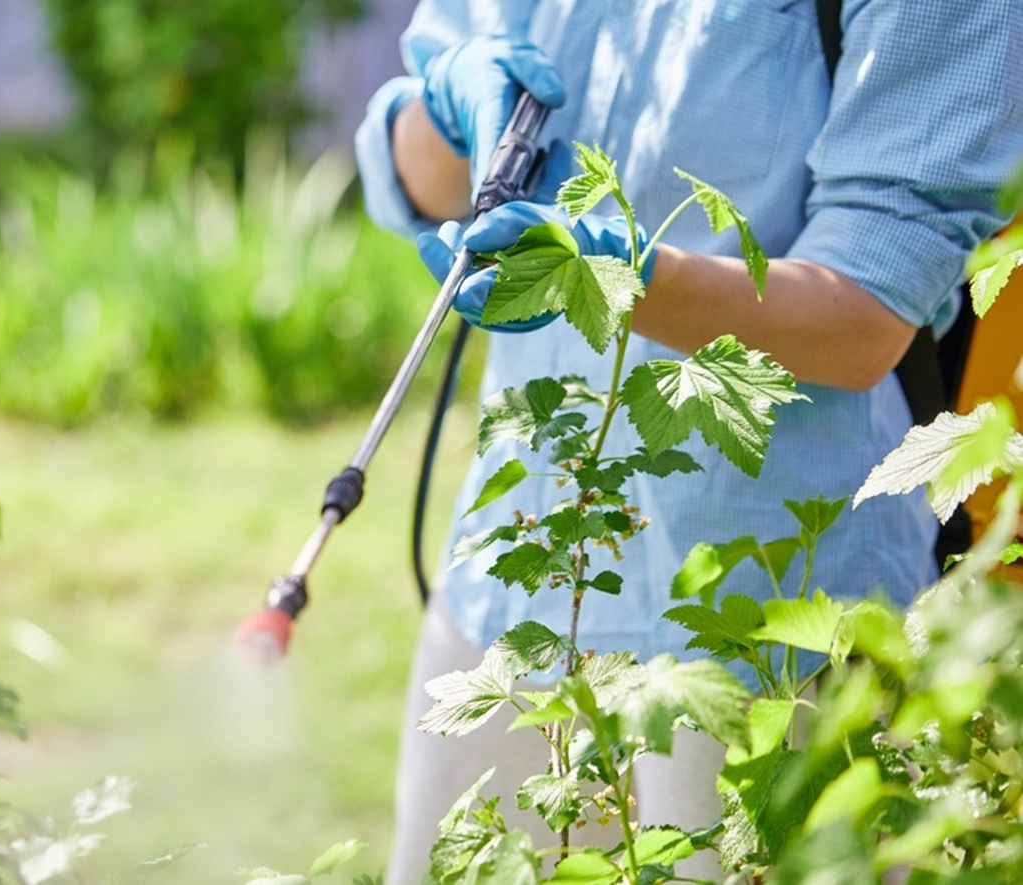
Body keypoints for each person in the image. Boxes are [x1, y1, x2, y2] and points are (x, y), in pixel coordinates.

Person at [352, 2, 1023, 883]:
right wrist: (446, 113)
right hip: (506, 586)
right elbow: (423, 177)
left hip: (767, 627)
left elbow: (866, 308)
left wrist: (622, 277)